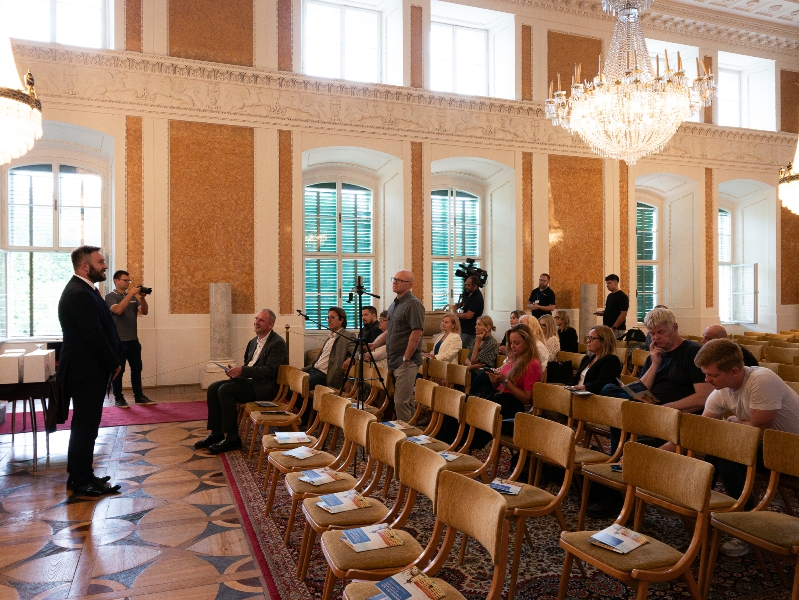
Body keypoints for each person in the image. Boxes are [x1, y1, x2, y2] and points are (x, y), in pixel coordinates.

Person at [589, 308, 712, 519]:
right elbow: (641, 388)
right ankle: (617, 484)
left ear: (675, 328)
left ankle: (618, 489)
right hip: (650, 411)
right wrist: (655, 364)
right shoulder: (656, 354)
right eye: (652, 333)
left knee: (620, 415)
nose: (656, 338)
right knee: (615, 401)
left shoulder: (692, 353)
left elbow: (703, 397)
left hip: (677, 418)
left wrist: (665, 408)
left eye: (661, 332)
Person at [695, 338, 799, 556]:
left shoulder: (761, 379)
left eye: (713, 375)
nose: (707, 380)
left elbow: (760, 429)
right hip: (767, 448)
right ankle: (700, 506)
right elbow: (703, 430)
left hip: (791, 451)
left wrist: (733, 424)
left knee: (727, 453)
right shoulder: (722, 389)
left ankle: (747, 524)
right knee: (715, 447)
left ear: (734, 371)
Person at [58, 246, 122, 496]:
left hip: (87, 370)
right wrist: (113, 362)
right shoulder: (79, 293)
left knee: (86, 425)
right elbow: (93, 335)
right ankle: (81, 480)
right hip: (85, 371)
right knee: (85, 426)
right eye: (100, 262)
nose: (105, 266)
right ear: (85, 266)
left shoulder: (84, 290)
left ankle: (80, 474)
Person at [195, 309, 288, 454]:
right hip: (250, 382)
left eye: (261, 320)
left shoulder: (277, 343)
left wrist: (243, 371)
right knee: (213, 387)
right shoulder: (253, 342)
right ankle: (216, 433)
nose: (256, 322)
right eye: (256, 319)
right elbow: (249, 365)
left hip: (264, 387)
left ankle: (232, 438)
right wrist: (236, 372)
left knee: (225, 390)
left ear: (271, 324)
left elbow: (270, 371)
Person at [369, 270, 425, 422]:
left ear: (410, 285)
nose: (395, 282)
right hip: (394, 359)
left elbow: (417, 332)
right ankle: (413, 430)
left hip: (406, 360)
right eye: (394, 279)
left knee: (401, 401)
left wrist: (406, 357)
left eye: (399, 280)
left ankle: (405, 435)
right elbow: (391, 331)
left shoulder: (413, 304)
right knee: (404, 401)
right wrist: (374, 345)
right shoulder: (395, 304)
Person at [105, 270, 153, 408]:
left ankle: (139, 396)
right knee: (119, 370)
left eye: (129, 281)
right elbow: (118, 310)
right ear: (116, 281)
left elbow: (144, 311)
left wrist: (142, 298)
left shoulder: (131, 297)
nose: (128, 283)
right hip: (119, 341)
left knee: (137, 369)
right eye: (125, 280)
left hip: (133, 339)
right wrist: (130, 294)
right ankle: (119, 398)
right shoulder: (110, 296)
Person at [304, 307, 356, 391]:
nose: (329, 320)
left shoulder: (348, 336)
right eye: (328, 318)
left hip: (325, 376)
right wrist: (302, 370)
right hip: (313, 371)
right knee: (292, 382)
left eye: (332, 318)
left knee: (301, 386)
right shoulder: (330, 337)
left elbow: (357, 351)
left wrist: (351, 358)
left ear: (341, 319)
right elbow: (317, 361)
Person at [568, 326, 623, 394]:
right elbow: (576, 379)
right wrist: (569, 387)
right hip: (576, 393)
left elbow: (602, 384)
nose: (587, 341)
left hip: (592, 396)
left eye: (592, 338)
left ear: (603, 342)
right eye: (588, 337)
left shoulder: (611, 361)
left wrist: (585, 387)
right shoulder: (587, 358)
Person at [340, 305, 381, 375]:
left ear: (373, 316)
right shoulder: (364, 329)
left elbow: (371, 348)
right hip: (360, 357)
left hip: (369, 362)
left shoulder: (377, 328)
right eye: (362, 315)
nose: (363, 318)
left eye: (366, 315)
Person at [595, 274, 629, 338]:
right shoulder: (610, 296)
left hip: (616, 329)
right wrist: (603, 312)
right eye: (607, 283)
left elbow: (623, 314)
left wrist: (614, 327)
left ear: (616, 283)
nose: (607, 285)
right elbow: (611, 309)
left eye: (609, 283)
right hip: (607, 327)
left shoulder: (622, 297)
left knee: (614, 344)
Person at [456, 275, 484, 349]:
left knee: (464, 350)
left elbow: (469, 315)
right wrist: (457, 306)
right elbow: (465, 302)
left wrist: (456, 315)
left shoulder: (476, 298)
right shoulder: (469, 293)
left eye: (468, 285)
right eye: (465, 284)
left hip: (469, 331)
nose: (466, 287)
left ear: (475, 286)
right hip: (463, 328)